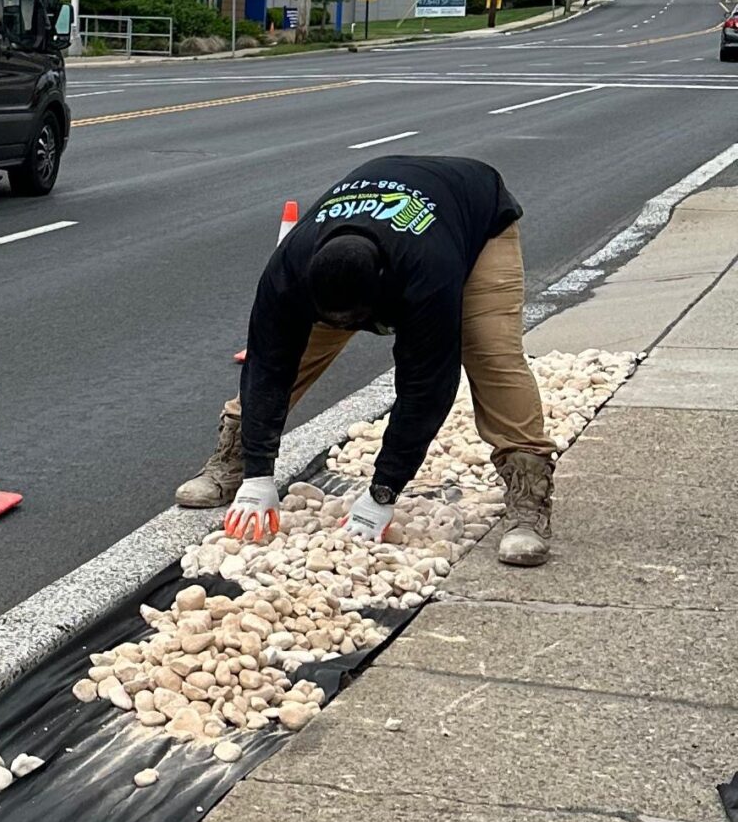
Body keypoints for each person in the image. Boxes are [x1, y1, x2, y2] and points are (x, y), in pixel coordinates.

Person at [171, 154, 556, 566]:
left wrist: (383, 492)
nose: (352, 329)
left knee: (489, 352)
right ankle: (232, 459)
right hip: (361, 244)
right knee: (297, 355)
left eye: (358, 321)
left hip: (474, 218)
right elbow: (267, 364)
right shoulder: (288, 270)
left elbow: (426, 385)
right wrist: (258, 474)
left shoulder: (429, 269)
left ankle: (527, 498)